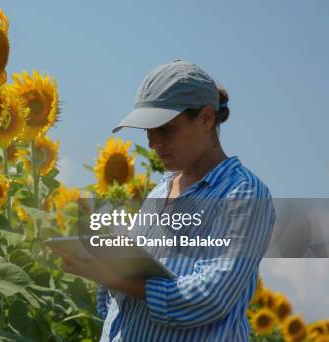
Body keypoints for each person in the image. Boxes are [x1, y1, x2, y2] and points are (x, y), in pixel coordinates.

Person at [56, 59, 275, 341]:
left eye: (165, 128)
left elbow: (210, 296)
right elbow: (118, 306)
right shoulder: (160, 191)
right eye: (148, 130)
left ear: (207, 119)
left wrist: (114, 278)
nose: (153, 143)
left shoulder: (242, 193)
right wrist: (106, 261)